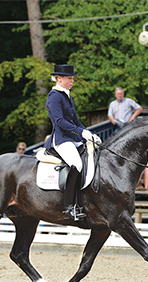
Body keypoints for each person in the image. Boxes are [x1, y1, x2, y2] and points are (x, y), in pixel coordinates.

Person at [43, 64, 100, 221]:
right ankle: (69, 207)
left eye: (72, 78)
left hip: (73, 138)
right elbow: (59, 122)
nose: (72, 81)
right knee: (77, 164)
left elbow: (75, 121)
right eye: (69, 78)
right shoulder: (54, 96)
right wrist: (81, 132)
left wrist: (89, 134)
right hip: (61, 139)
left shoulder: (66, 95)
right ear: (59, 79)